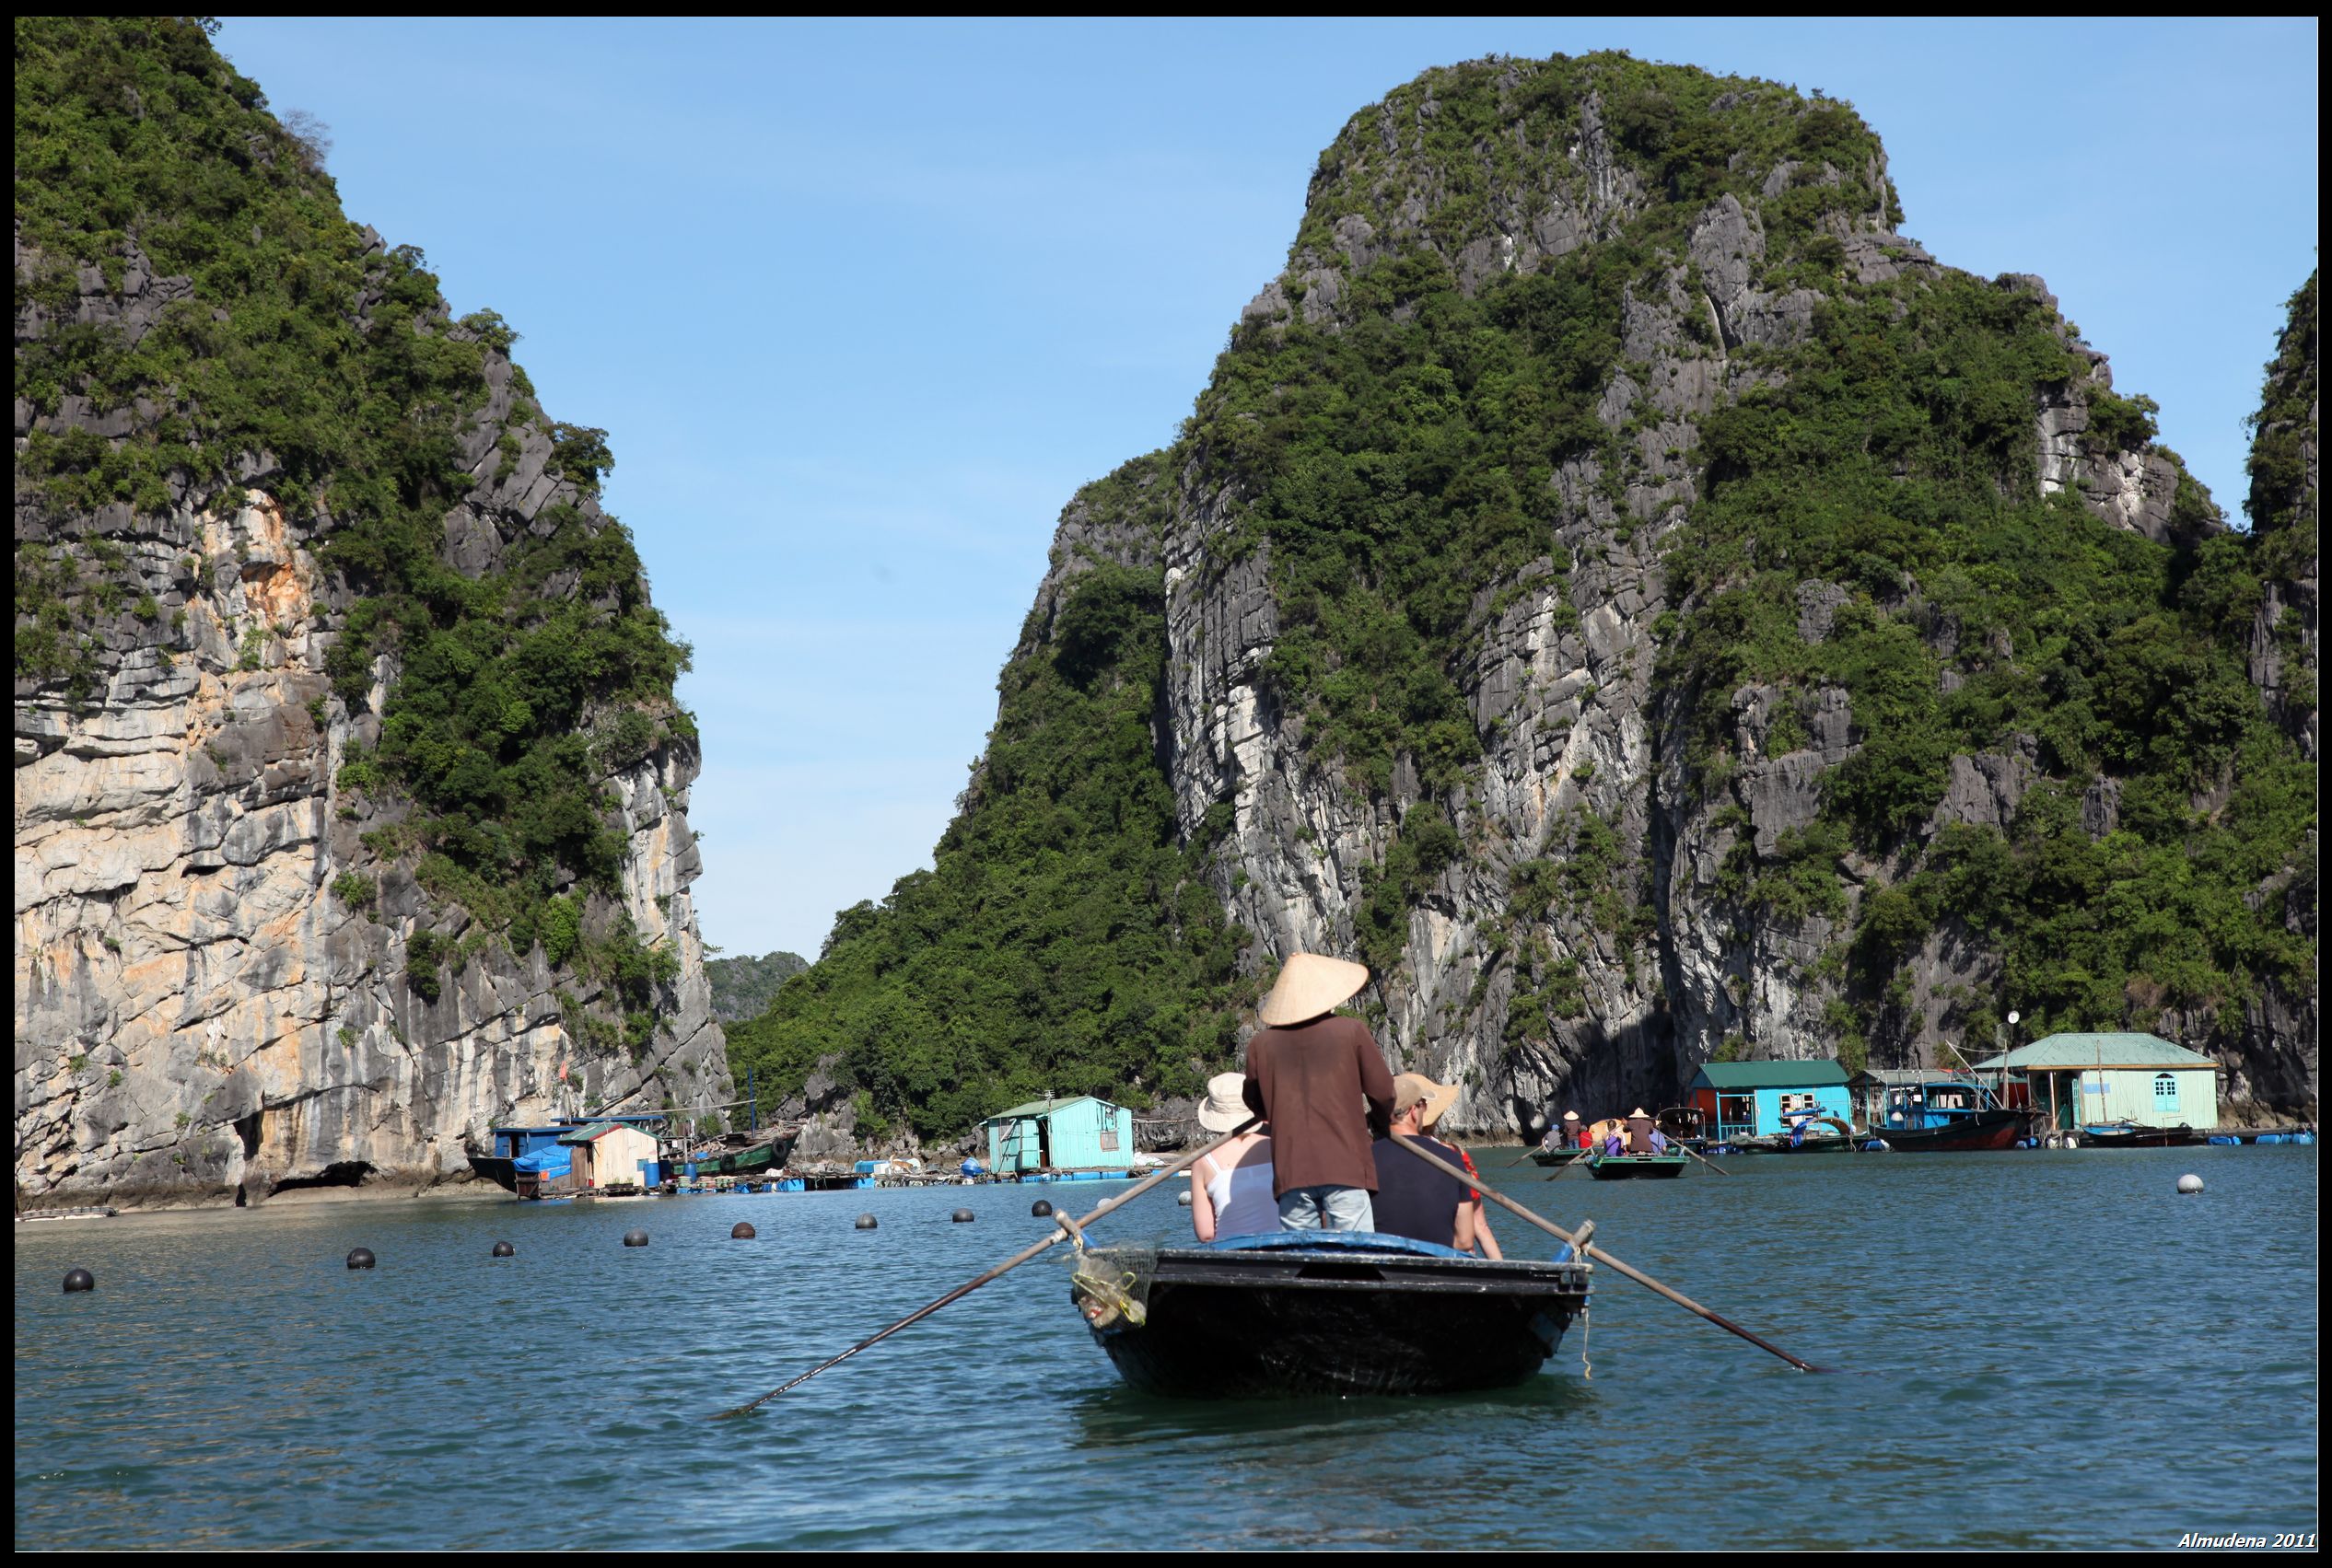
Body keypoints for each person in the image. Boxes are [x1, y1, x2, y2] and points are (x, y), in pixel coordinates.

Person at [1242, 953, 1396, 1233]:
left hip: (1292, 1170)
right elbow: (1383, 1092)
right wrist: (1381, 1126)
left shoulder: (1261, 1045)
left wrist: (1277, 1112)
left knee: (1305, 1261)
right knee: (1356, 1259)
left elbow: (1255, 1102)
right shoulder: (1351, 1031)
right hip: (1346, 1166)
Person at [1369, 1074, 1478, 1252]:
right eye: (1424, 1105)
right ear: (1413, 1111)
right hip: (1436, 1268)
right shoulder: (1451, 1159)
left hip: (1382, 1263)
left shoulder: (1365, 1158)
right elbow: (1465, 1240)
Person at [1189, 1072, 1276, 1243]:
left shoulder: (1203, 1162)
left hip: (1232, 1252)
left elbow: (1206, 1234)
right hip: (1282, 1248)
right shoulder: (1278, 1147)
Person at [1421, 1090, 1502, 1260]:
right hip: (1455, 1257)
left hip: (1408, 1256)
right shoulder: (1455, 1154)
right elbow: (1480, 1227)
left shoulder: (1381, 1152)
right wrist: (1507, 1276)